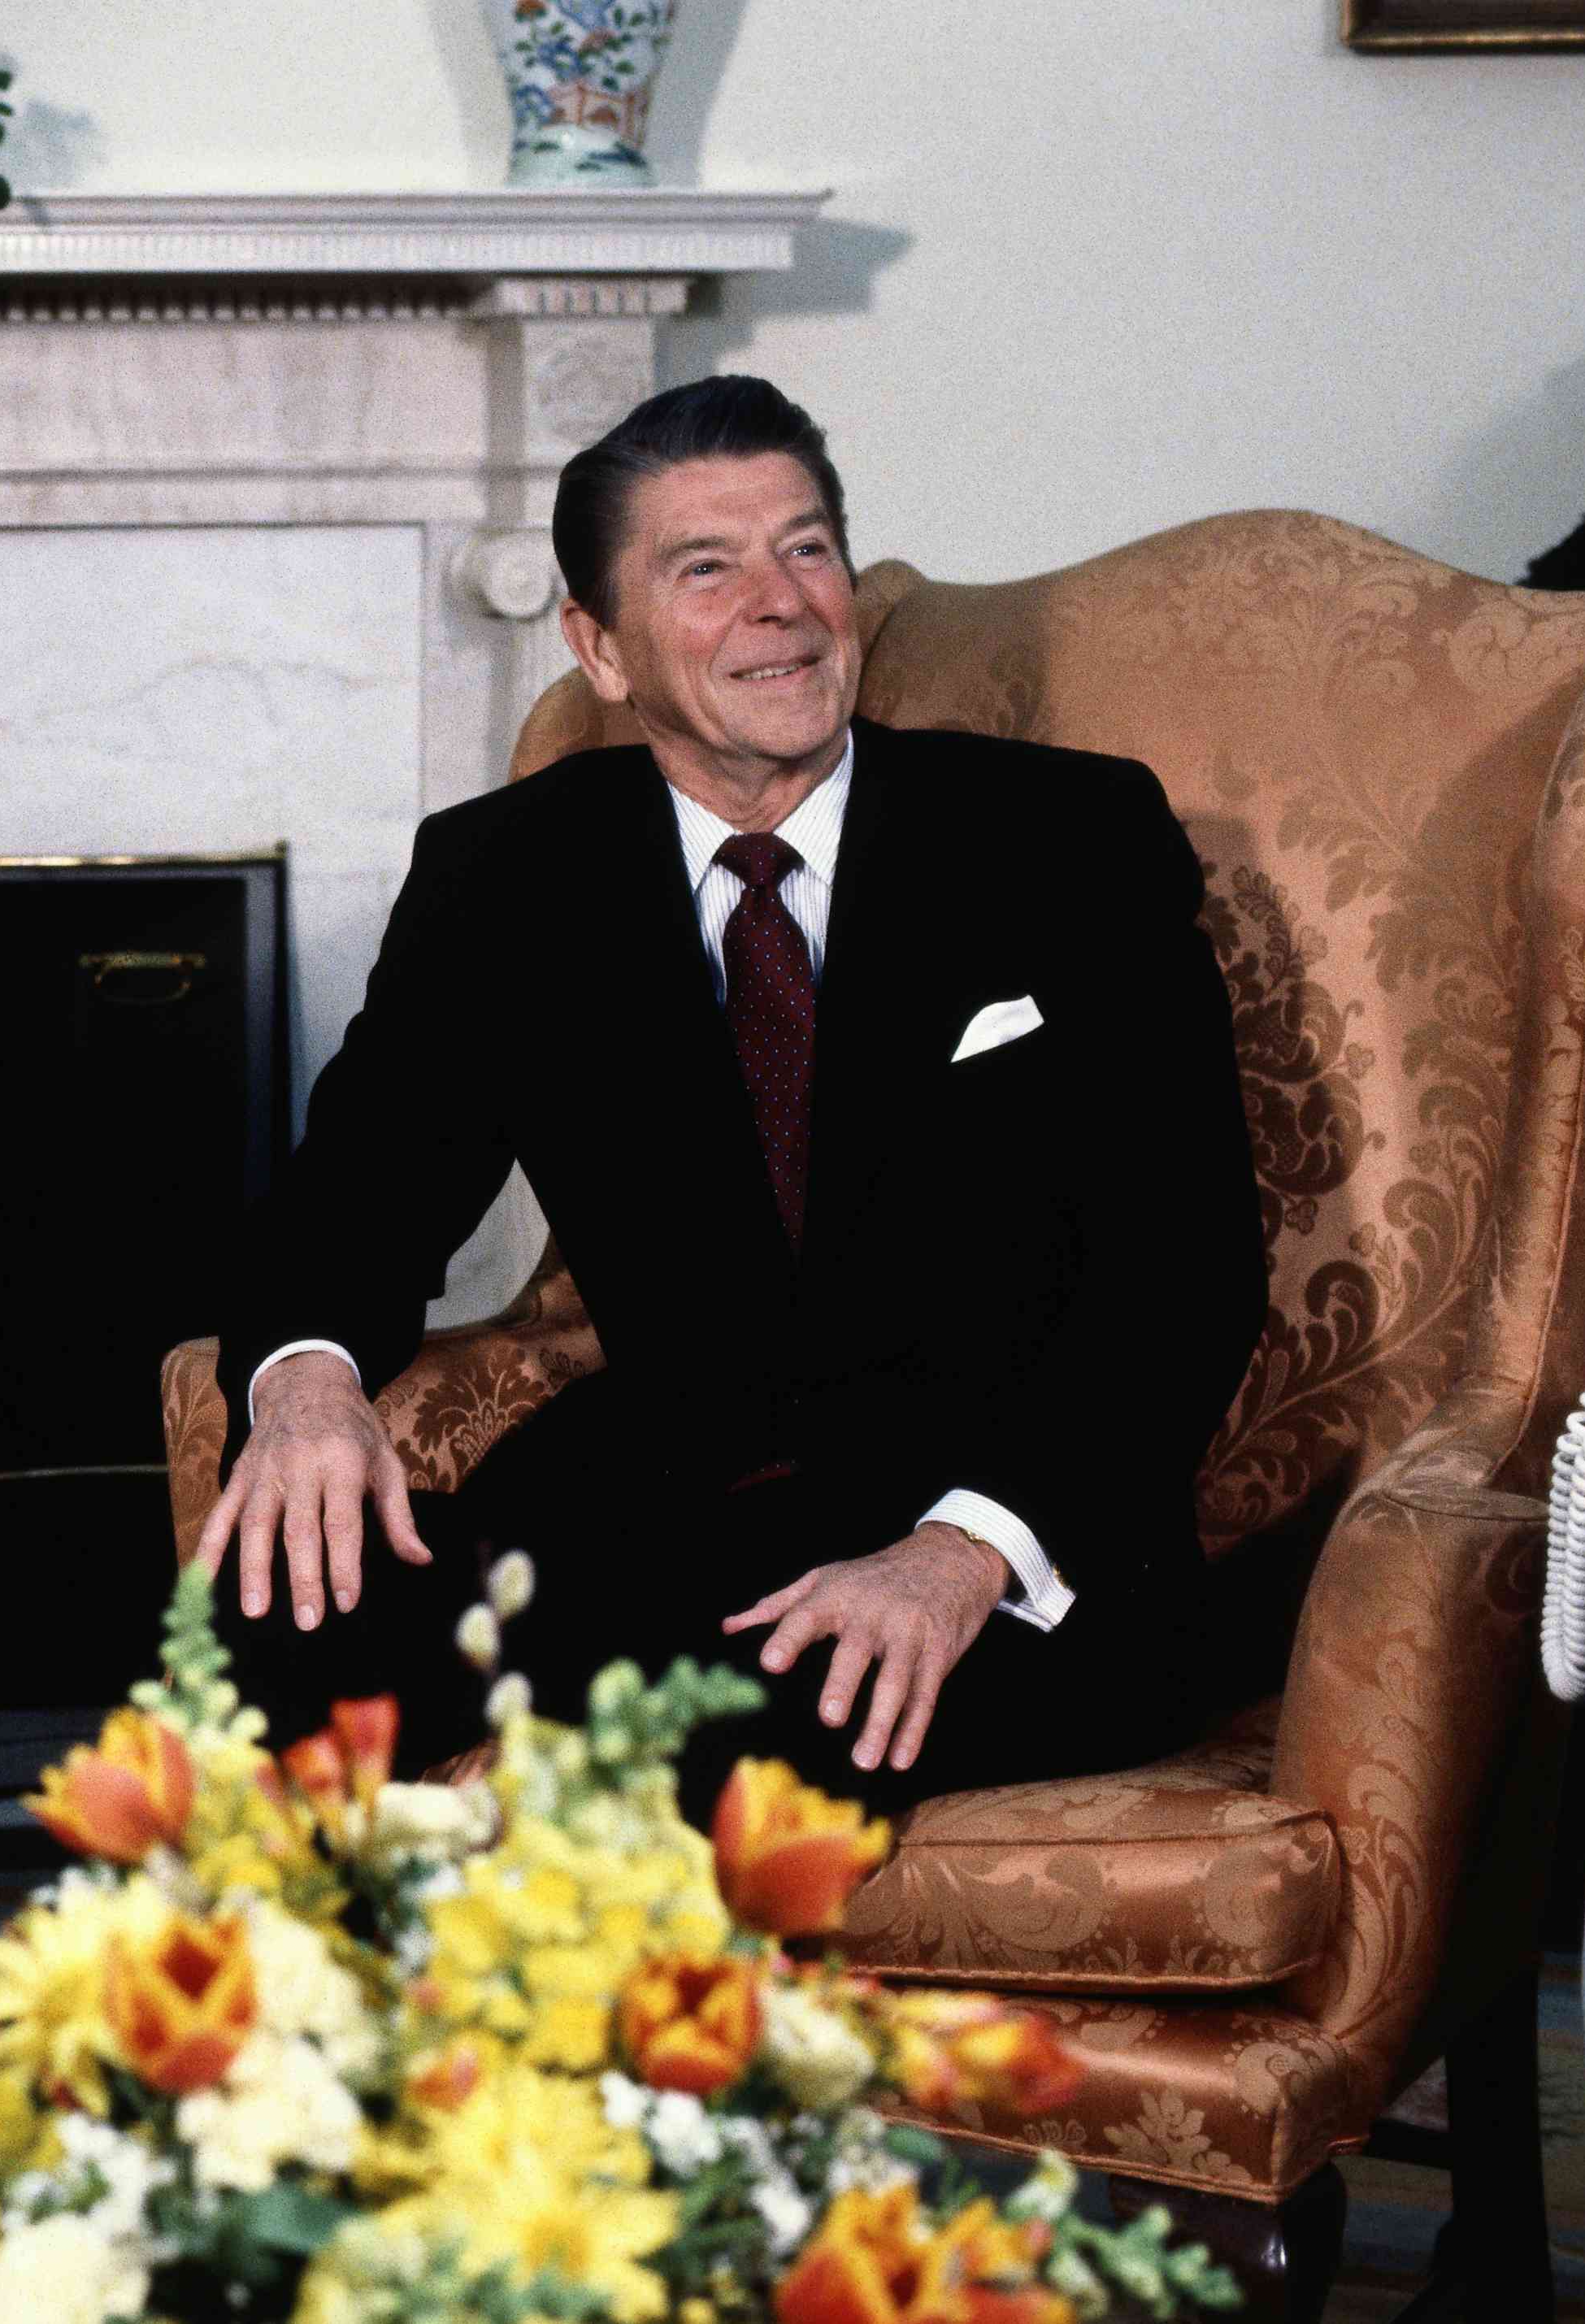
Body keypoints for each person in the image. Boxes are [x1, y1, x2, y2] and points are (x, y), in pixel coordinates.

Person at [196, 375, 1266, 1816]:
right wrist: (311, 1381)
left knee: (752, 1730)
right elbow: (361, 1194)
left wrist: (957, 1555)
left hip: (1011, 1525)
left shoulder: (1066, 837)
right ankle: (399, 1994)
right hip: (676, 1511)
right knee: (253, 1626)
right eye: (707, 569)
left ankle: (578, 1855)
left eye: (807, 547)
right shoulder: (504, 877)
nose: (783, 603)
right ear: (601, 648)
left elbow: (1183, 1264)